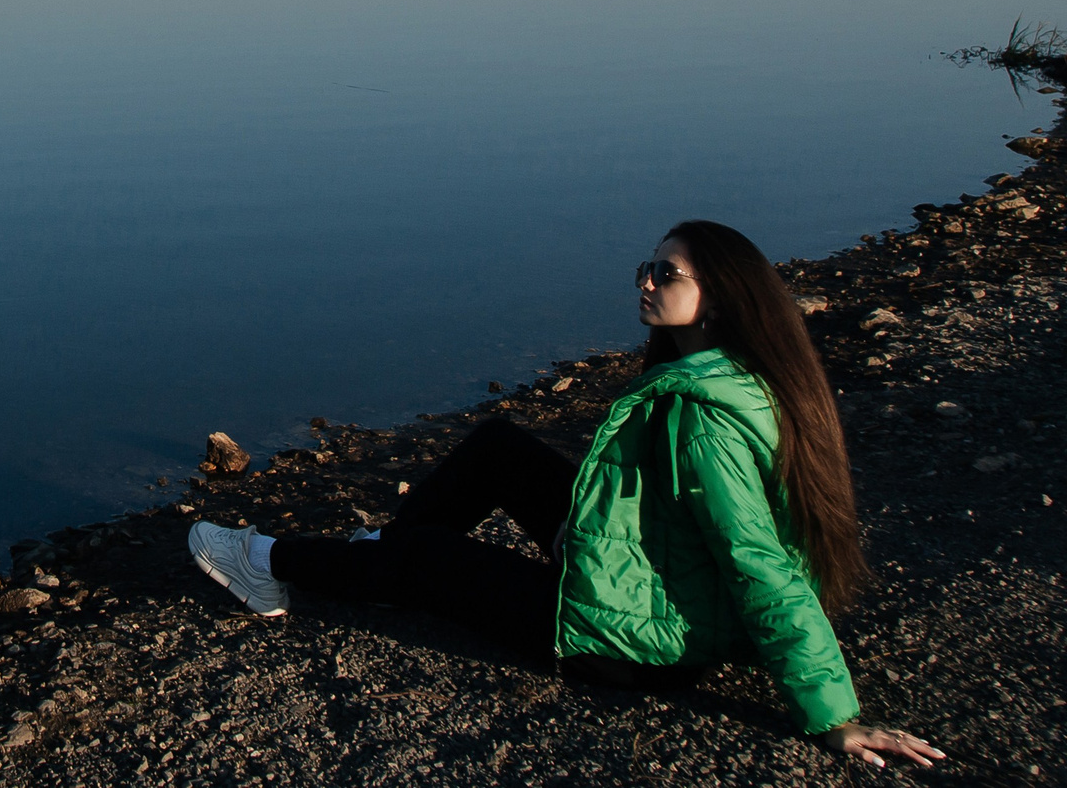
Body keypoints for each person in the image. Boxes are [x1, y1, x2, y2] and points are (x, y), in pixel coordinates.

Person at [187, 220, 943, 770]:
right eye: (648, 266)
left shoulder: (703, 419)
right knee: (498, 449)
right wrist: (579, 529)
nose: (646, 280)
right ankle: (379, 561)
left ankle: (268, 565)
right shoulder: (730, 374)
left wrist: (832, 716)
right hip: (653, 585)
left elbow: (759, 560)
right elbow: (664, 507)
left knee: (429, 557)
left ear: (719, 299)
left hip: (631, 643)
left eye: (668, 273)